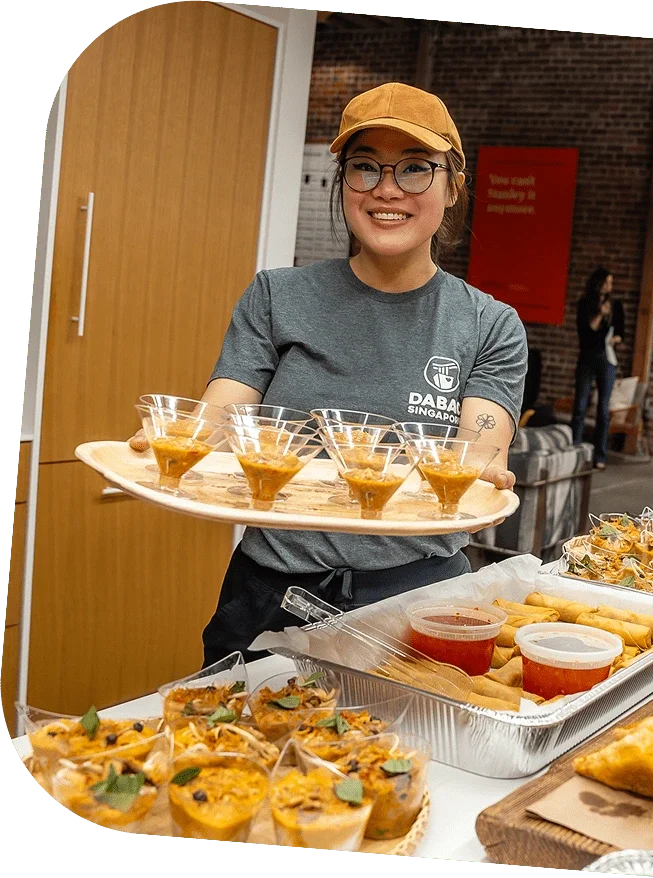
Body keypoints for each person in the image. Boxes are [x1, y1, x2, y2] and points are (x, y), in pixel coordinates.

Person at [129, 82, 528, 666]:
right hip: (271, 594)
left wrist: (489, 469)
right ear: (343, 183)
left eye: (416, 168)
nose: (387, 189)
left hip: (419, 600)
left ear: (453, 184)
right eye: (365, 168)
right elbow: (220, 418)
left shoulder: (490, 325)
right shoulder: (276, 296)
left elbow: (477, 458)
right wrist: (174, 443)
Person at [570, 268, 625, 470]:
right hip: (587, 357)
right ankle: (575, 450)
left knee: (603, 408)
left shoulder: (616, 305)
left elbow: (621, 332)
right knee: (581, 406)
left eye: (611, 283)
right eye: (606, 282)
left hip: (607, 358)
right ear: (598, 283)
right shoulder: (585, 304)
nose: (609, 287)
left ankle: (599, 455)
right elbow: (586, 332)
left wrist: (615, 338)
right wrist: (600, 315)